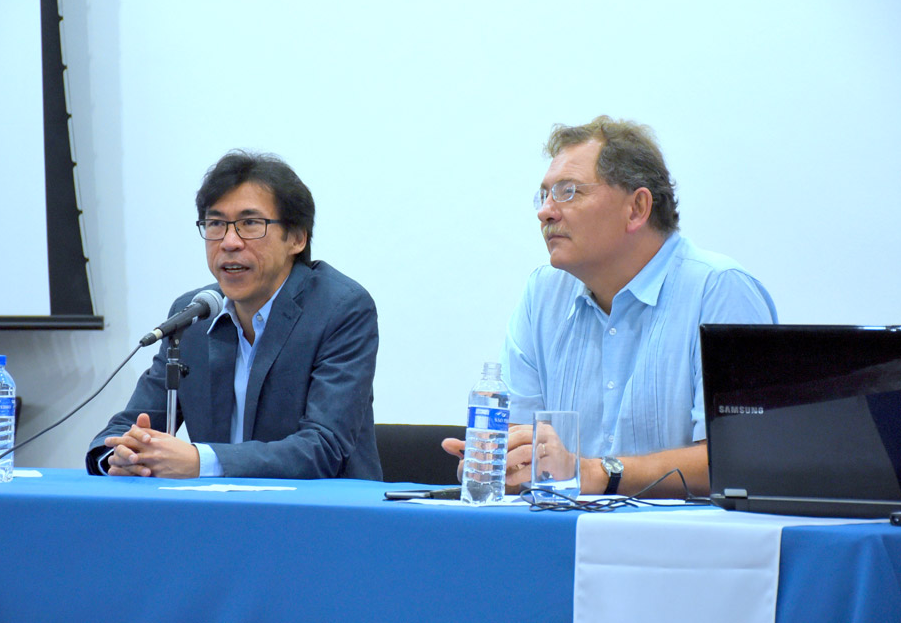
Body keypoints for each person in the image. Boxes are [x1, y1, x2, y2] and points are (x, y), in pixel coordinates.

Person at [443, 116, 777, 497]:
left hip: (688, 545)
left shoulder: (720, 291)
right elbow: (524, 447)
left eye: (568, 192)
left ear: (636, 207)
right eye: (545, 195)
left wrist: (598, 473)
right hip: (563, 539)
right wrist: (499, 461)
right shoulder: (544, 293)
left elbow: (741, 459)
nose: (545, 212)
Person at [87, 151, 382, 480]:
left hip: (320, 519)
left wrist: (202, 462)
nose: (229, 242)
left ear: (297, 237)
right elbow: (127, 426)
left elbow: (324, 448)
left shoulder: (340, 308)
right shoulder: (192, 317)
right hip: (217, 518)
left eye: (250, 224)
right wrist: (121, 455)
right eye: (215, 224)